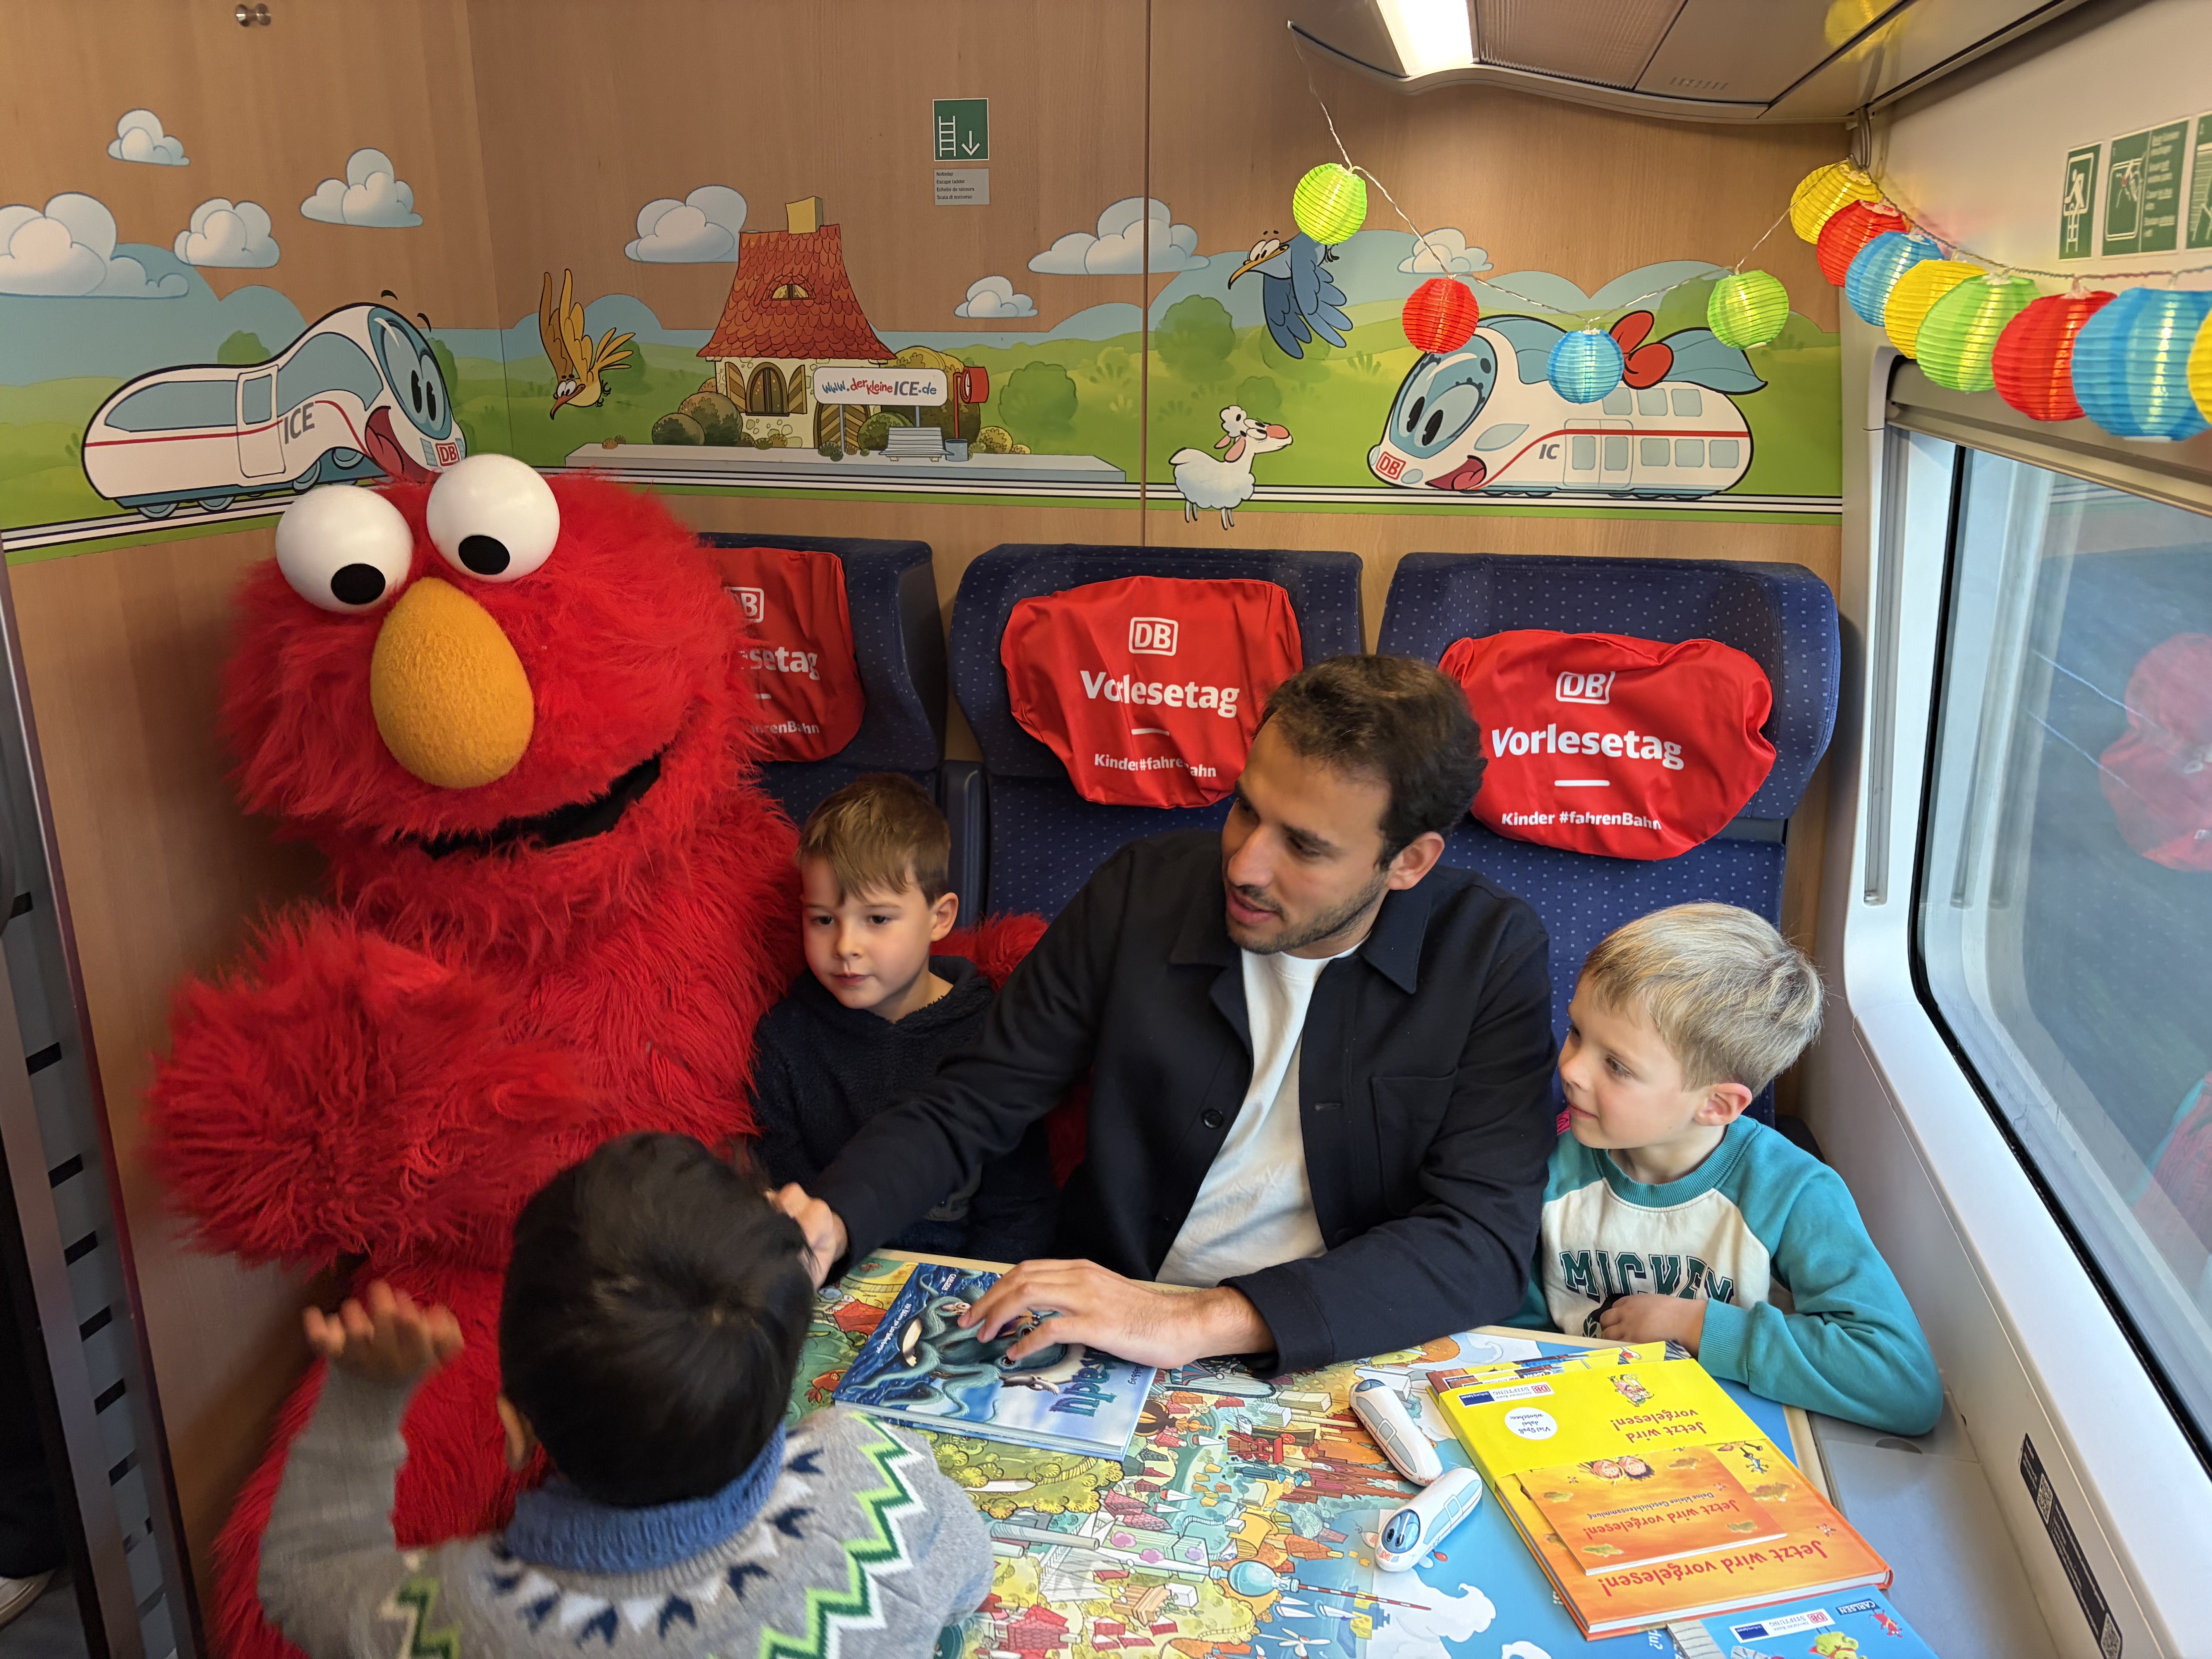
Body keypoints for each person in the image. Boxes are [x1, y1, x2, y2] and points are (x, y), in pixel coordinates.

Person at [776, 654, 1559, 1377]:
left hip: (1329, 1344)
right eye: (1246, 809)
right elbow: (974, 1099)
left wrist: (1199, 1318)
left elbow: (1481, 1244)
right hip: (1099, 1319)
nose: (1246, 865)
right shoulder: (1139, 892)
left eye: (1304, 847)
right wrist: (835, 1218)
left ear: (1410, 862)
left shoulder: (1488, 952)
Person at [256, 1132, 992, 1659]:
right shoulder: (872, 1481)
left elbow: (304, 1579)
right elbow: (969, 1577)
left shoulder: (458, 1616)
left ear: (513, 1428)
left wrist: (365, 1395)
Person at [1510, 903, 1943, 1436]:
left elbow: (1901, 1380)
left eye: (1617, 1066)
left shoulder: (1791, 1195)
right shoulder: (1547, 1164)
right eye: (1577, 1033)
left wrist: (1697, 1325)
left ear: (1717, 1105)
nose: (1570, 1069)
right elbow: (1513, 1328)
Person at [750, 773, 1055, 1262]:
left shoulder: (991, 1033)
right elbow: (787, 1202)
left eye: (877, 919)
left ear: (940, 917)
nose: (845, 947)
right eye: (824, 919)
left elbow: (1018, 1208)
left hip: (960, 1283)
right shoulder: (786, 1037)